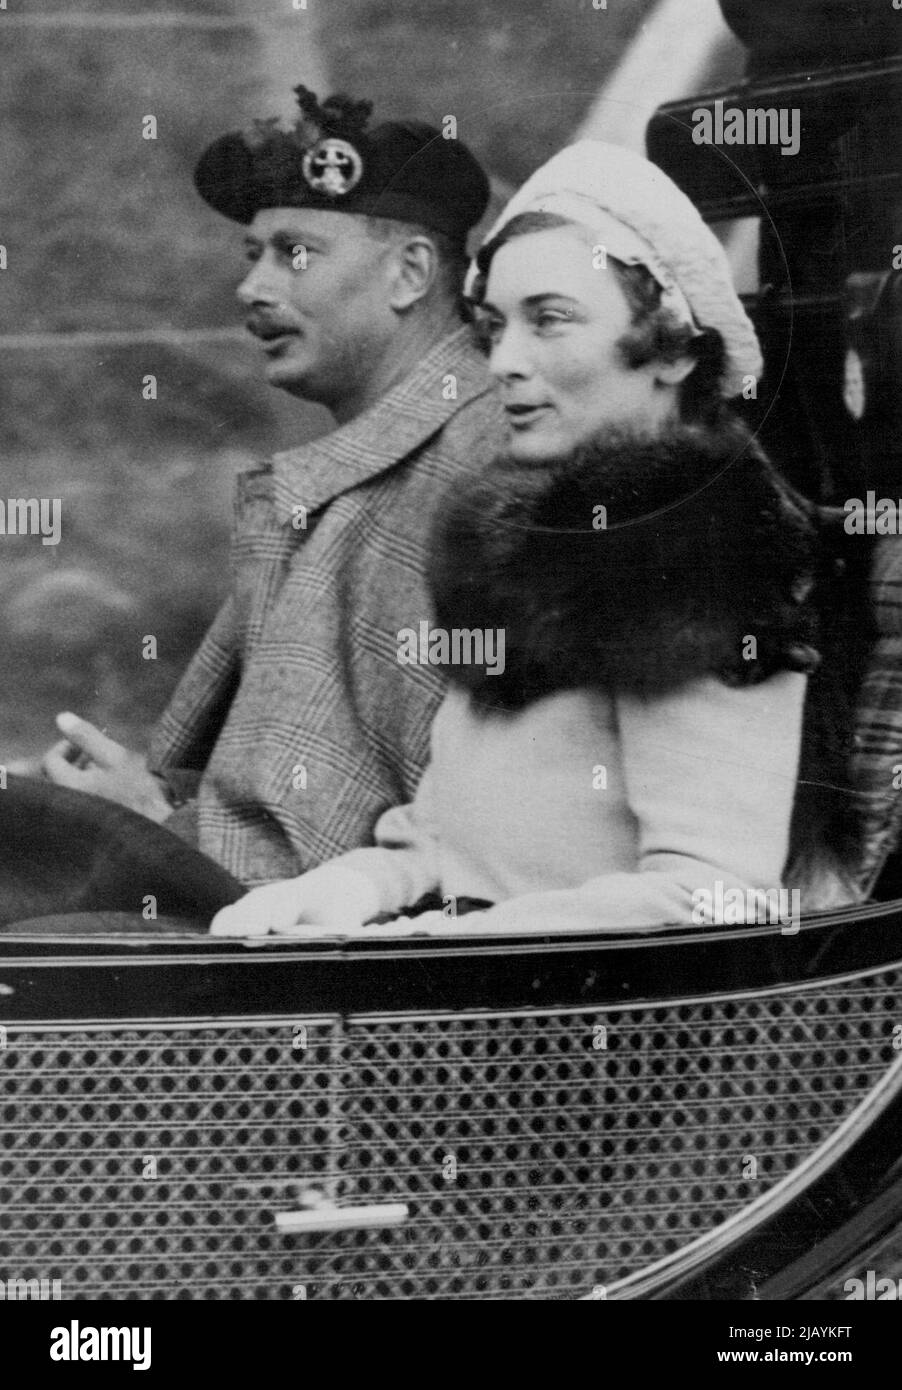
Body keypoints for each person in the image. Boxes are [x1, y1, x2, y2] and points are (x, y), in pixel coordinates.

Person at [209, 140, 822, 939]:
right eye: (494, 326)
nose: (505, 361)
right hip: (487, 1013)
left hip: (625, 1036)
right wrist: (355, 886)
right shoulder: (524, 553)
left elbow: (713, 897)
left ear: (671, 347)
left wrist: (428, 943)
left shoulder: (705, 560)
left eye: (550, 321)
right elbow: (446, 840)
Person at [23, 86, 505, 893]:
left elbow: (337, 847)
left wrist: (147, 821)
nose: (252, 289)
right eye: (253, 256)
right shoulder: (372, 464)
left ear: (411, 272)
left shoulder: (474, 461)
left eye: (296, 253)